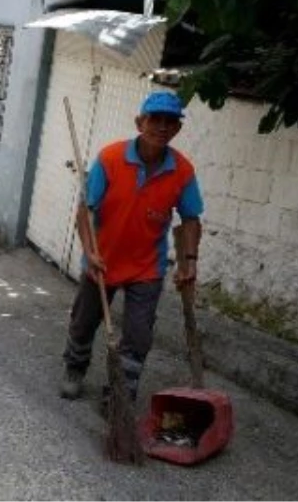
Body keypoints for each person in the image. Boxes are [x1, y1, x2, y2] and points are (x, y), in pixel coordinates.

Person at [59, 90, 204, 404]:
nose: (162, 127)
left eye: (170, 122)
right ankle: (75, 368)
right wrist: (89, 250)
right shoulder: (111, 158)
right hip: (103, 260)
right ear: (141, 122)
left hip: (146, 267)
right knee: (84, 322)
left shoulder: (182, 171)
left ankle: (120, 393)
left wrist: (189, 261)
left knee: (138, 335)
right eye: (156, 120)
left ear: (177, 129)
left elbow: (191, 218)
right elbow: (86, 210)